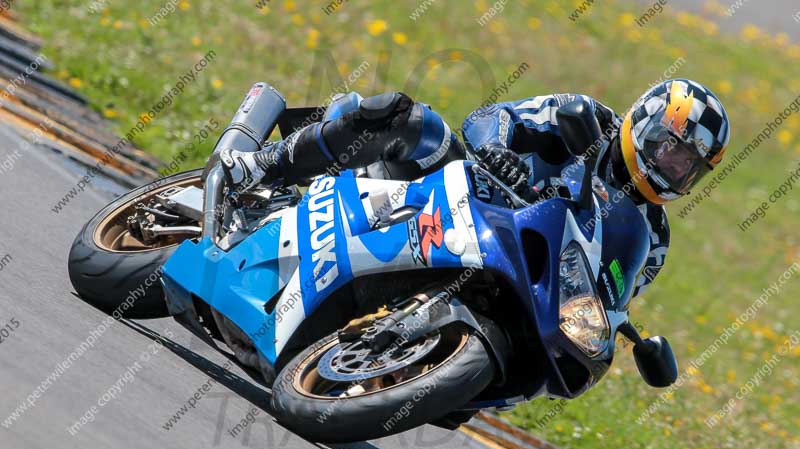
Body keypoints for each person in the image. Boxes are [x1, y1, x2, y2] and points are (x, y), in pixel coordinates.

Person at [221, 79, 730, 297]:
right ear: (645, 123)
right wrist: (500, 156)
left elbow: (614, 296)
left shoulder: (655, 238)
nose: (672, 165)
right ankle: (261, 166)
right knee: (408, 118)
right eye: (670, 146)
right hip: (461, 196)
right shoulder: (587, 119)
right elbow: (493, 118)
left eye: (688, 165)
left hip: (507, 273)